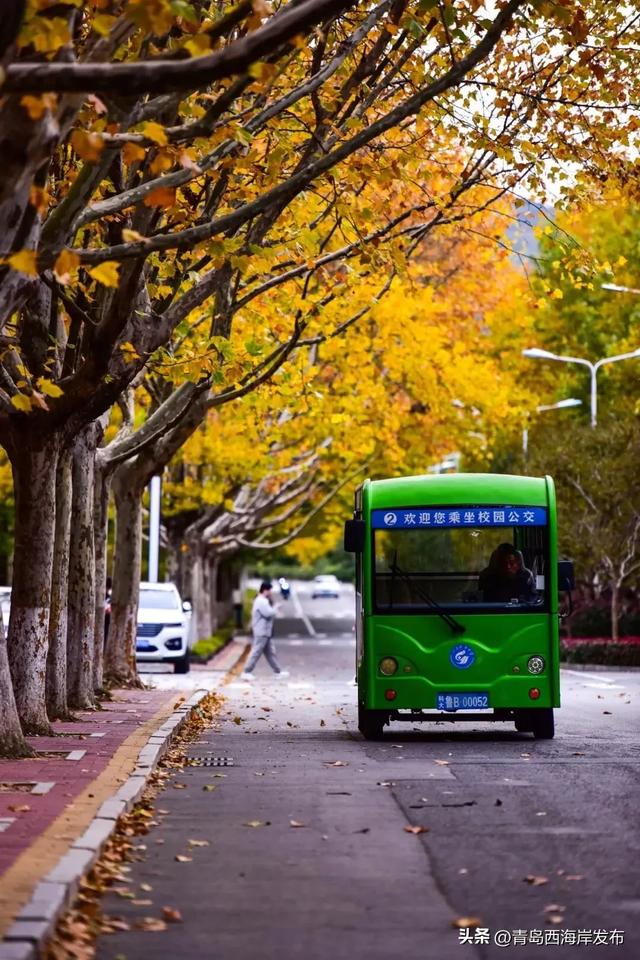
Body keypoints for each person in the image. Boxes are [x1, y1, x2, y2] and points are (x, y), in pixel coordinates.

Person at [241, 581, 289, 680]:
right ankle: (246, 671)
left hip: (265, 631)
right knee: (256, 651)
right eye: (270, 590)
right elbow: (268, 613)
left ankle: (277, 671)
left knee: (270, 653)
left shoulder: (262, 600)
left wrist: (274, 608)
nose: (271, 592)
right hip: (261, 631)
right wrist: (276, 607)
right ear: (265, 590)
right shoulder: (261, 601)